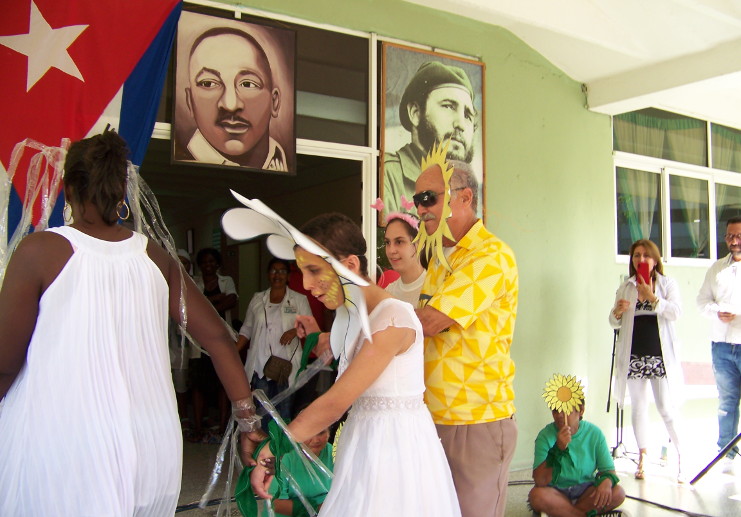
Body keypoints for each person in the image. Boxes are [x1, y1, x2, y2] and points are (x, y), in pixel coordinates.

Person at [0, 130, 262, 516]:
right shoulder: (155, 257)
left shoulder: (40, 251)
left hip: (63, 444)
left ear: (68, 187)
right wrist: (247, 422)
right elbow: (220, 340)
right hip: (152, 447)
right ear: (124, 191)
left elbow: (5, 362)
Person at [248, 212, 461, 517]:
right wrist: (318, 337)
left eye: (313, 271)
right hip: (362, 441)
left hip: (393, 452)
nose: (307, 284)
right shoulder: (354, 317)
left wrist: (275, 449)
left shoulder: (394, 318)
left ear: (349, 265)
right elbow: (350, 353)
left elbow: (337, 401)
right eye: (302, 272)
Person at [414, 149, 518, 517]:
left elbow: (427, 322)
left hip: (476, 422)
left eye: (430, 198)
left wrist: (365, 304)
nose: (422, 208)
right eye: (417, 200)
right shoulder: (444, 259)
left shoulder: (491, 256)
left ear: (465, 197)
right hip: (435, 419)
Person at [609, 239, 684, 481]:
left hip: (660, 356)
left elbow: (676, 312)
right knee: (639, 407)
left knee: (665, 408)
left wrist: (652, 297)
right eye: (636, 256)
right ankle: (643, 455)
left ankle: (683, 456)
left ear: (655, 259)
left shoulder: (667, 284)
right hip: (633, 356)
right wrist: (617, 312)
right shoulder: (626, 286)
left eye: (645, 256)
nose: (640, 260)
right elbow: (613, 321)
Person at [180, 27, 287, 171]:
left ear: (274, 102)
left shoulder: (283, 162)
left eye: (248, 84)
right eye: (208, 84)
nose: (230, 104)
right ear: (190, 101)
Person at [383, 61, 477, 215]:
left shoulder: (463, 190)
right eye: (448, 106)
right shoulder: (388, 175)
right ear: (415, 113)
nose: (460, 124)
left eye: (468, 115)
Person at [529, 375, 626, 517]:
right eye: (555, 410)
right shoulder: (545, 436)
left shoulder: (594, 433)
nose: (560, 415)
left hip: (586, 490)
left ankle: (565, 513)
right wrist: (558, 449)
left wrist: (606, 482)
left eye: (565, 409)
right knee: (536, 496)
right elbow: (540, 481)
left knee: (618, 492)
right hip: (556, 491)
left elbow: (609, 471)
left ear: (580, 410)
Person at [236, 257, 312, 424]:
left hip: (287, 367)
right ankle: (264, 449)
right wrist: (234, 352)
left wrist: (295, 331)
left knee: (284, 414)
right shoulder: (257, 299)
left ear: (288, 276)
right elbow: (247, 329)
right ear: (268, 275)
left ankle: (281, 449)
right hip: (260, 366)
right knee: (261, 415)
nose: (277, 275)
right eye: (274, 271)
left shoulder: (299, 300)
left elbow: (310, 327)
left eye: (282, 271)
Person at [697, 215, 741, 471]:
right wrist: (717, 311)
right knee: (726, 402)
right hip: (722, 347)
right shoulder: (716, 268)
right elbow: (701, 302)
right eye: (729, 236)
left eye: (738, 236)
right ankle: (727, 455)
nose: (734, 241)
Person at [191, 246, 239, 439]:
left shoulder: (226, 281)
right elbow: (192, 306)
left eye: (212, 261)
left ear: (217, 264)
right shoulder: (194, 282)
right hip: (199, 341)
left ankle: (222, 424)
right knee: (198, 384)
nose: (208, 265)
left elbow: (231, 301)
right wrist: (216, 300)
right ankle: (197, 426)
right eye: (204, 262)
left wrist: (206, 305)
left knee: (222, 383)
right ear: (200, 266)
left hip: (220, 340)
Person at [383, 212, 426, 305]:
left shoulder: (435, 289)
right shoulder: (389, 292)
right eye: (387, 242)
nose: (391, 250)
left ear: (420, 244)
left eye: (399, 242)